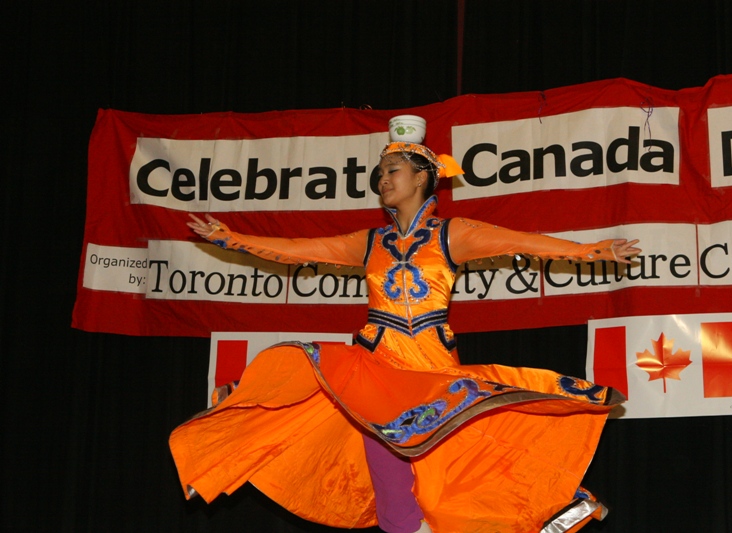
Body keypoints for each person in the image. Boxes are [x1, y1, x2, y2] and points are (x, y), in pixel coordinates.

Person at [170, 139, 640, 533]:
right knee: (390, 490)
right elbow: (298, 250)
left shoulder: (453, 235)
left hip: (432, 371)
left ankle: (548, 504)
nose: (382, 180)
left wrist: (593, 249)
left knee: (457, 472)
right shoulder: (369, 243)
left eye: (392, 170)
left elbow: (524, 243)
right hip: (377, 369)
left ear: (421, 178)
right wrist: (232, 238)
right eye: (379, 174)